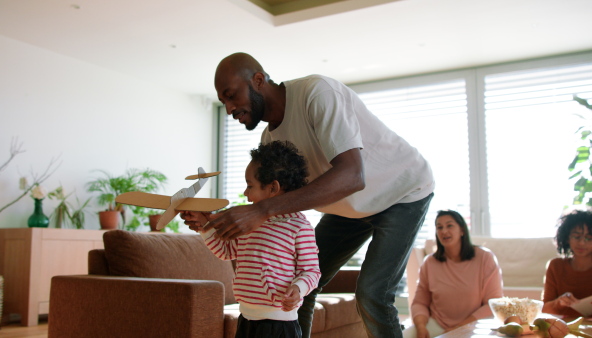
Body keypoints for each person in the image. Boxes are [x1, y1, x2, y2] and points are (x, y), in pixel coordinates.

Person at [182, 52, 435, 338]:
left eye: (231, 95)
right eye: (223, 102)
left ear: (258, 80)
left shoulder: (317, 94)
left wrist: (261, 211)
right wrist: (211, 223)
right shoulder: (269, 141)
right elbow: (269, 208)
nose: (229, 109)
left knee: (373, 293)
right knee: (299, 282)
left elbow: (353, 175)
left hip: (402, 191)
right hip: (348, 207)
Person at [195, 140, 321, 338]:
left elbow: (311, 270)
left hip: (279, 324)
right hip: (246, 318)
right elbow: (225, 251)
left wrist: (298, 288)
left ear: (273, 188)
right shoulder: (247, 223)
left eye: (249, 186)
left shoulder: (298, 226)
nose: (245, 193)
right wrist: (204, 227)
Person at [403, 210, 503, 338]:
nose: (444, 231)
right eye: (439, 227)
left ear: (462, 230)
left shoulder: (485, 257)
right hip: (438, 324)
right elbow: (420, 303)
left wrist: (457, 329)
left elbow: (493, 302)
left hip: (474, 326)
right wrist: (421, 327)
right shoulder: (429, 262)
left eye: (449, 225)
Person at [542, 209, 592, 318]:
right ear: (567, 237)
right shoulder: (556, 266)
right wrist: (558, 303)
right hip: (564, 329)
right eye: (576, 236)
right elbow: (545, 309)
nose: (582, 243)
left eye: (589, 238)